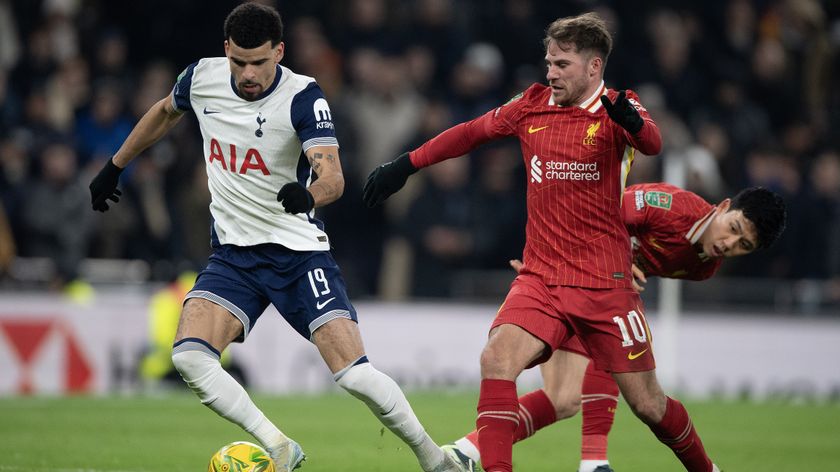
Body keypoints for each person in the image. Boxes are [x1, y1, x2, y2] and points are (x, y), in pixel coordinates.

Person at [87, 4, 464, 472]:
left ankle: (437, 460)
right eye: (239, 62)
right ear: (226, 50)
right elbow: (165, 112)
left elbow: (334, 177)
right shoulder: (200, 78)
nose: (248, 73)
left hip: (298, 255)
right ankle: (279, 447)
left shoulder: (303, 96)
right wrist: (115, 165)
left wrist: (308, 196)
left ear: (279, 52)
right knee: (189, 357)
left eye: (259, 63)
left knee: (355, 376)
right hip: (233, 257)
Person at [364, 12, 722, 472]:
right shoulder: (532, 103)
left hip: (605, 283)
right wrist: (406, 165)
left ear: (594, 67)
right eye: (549, 62)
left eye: (562, 65)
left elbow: (651, 142)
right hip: (542, 277)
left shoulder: (619, 107)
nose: (550, 72)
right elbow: (471, 133)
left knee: (650, 406)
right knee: (497, 358)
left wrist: (632, 123)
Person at [447, 183, 787, 472]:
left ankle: (467, 450)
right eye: (735, 227)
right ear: (725, 207)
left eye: (744, 246)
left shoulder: (704, 267)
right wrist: (601, 261)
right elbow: (591, 212)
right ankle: (595, 461)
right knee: (633, 371)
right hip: (565, 278)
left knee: (563, 399)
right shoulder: (672, 207)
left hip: (593, 293)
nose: (730, 243)